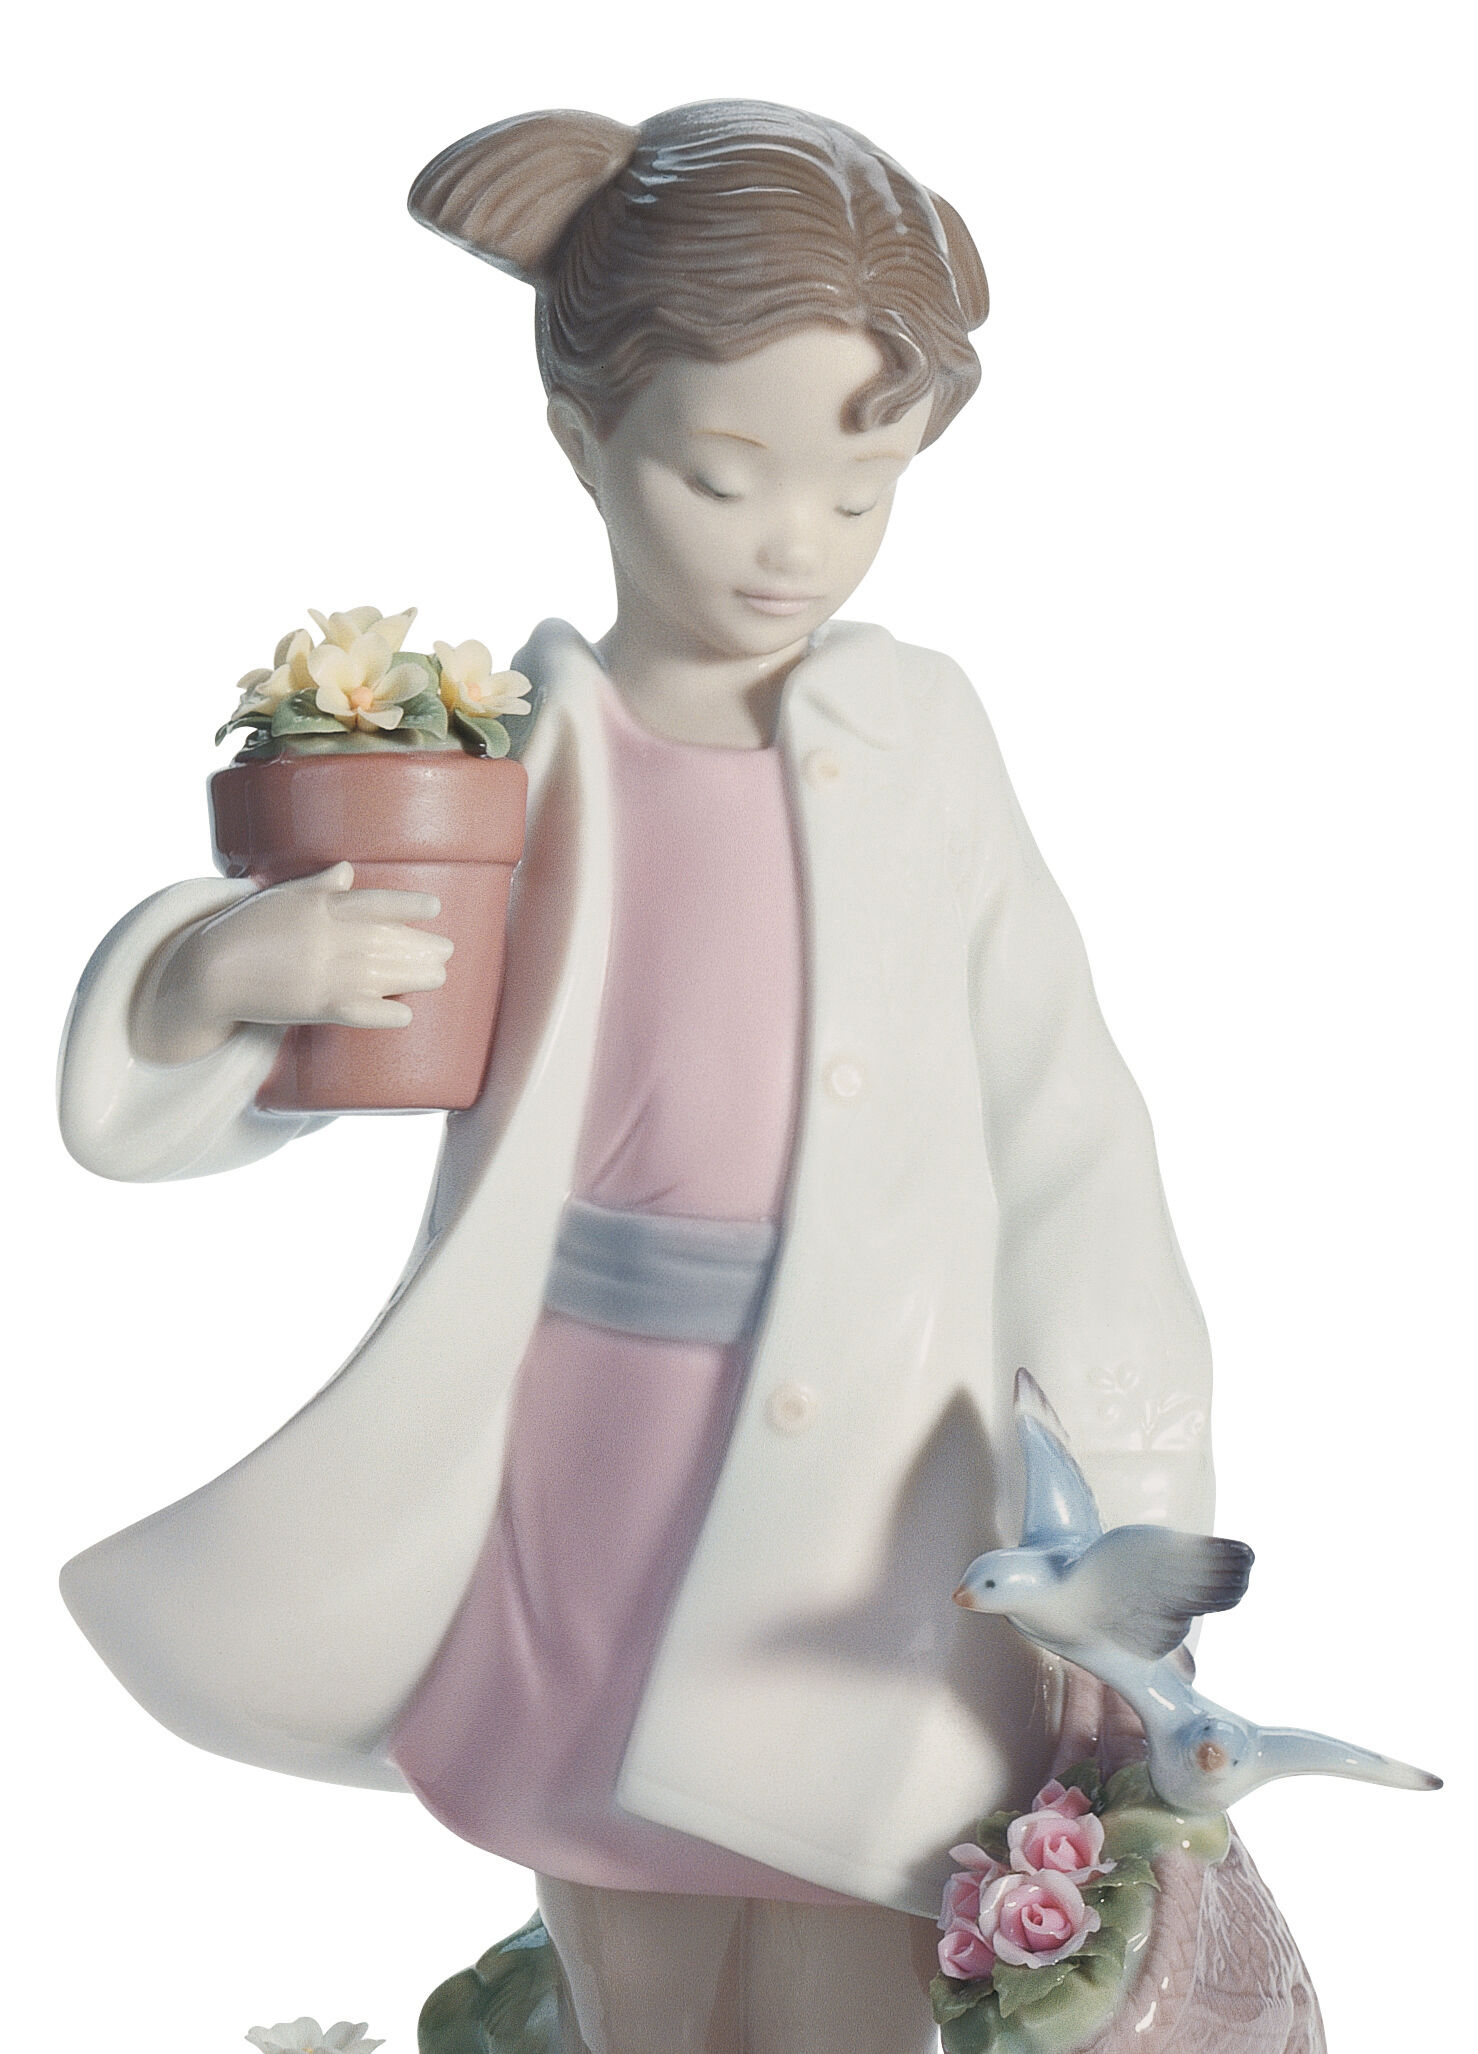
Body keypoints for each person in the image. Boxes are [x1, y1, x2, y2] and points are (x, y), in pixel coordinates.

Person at [58, 101, 1300, 2054]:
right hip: (591, 1464)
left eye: (861, 488)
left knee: (852, 1939)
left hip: (885, 1511)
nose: (795, 543)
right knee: (630, 1941)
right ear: (584, 441)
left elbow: (1066, 1127)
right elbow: (277, 1059)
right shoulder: (501, 758)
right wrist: (231, 970)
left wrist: (1131, 1520)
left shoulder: (921, 742)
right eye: (726, 477)